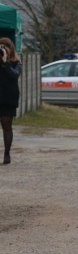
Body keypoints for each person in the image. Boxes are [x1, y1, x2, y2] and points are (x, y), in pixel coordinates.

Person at [0, 37, 22, 165]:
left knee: (6, 126)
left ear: (10, 49)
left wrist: (5, 62)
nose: (3, 49)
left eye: (5, 46)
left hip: (8, 97)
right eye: (1, 46)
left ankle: (7, 153)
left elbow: (14, 75)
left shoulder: (16, 63)